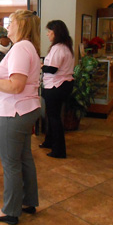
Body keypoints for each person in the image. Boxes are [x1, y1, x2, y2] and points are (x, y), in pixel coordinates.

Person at [0, 10, 41, 225]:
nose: (7, 26)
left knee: (11, 163)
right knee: (24, 158)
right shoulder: (26, 47)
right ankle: (28, 201)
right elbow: (14, 78)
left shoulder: (21, 48)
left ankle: (10, 210)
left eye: (11, 22)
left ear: (21, 25)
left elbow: (16, 85)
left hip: (13, 112)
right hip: (24, 110)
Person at [39, 20, 74, 158]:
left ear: (56, 32)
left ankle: (59, 150)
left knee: (54, 118)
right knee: (52, 116)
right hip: (61, 85)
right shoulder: (65, 47)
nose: (47, 34)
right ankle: (49, 141)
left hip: (56, 86)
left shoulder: (58, 48)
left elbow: (52, 69)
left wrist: (41, 66)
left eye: (50, 31)